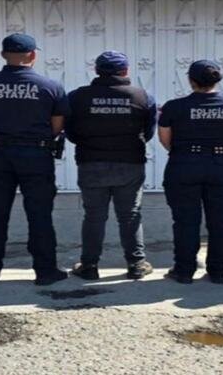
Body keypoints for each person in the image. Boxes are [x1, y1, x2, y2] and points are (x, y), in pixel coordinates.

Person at [0, 33, 70, 287]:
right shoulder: (51, 86)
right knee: (40, 215)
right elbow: (57, 127)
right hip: (36, 155)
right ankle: (45, 271)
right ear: (33, 55)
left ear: (3, 54)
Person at [65, 51, 157, 280]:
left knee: (94, 216)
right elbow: (148, 132)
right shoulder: (143, 96)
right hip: (130, 164)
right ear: (125, 71)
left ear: (96, 71)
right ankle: (136, 264)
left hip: (91, 163)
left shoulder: (77, 97)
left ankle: (89, 266)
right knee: (130, 215)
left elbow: (71, 133)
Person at [158, 60, 223, 284]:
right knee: (222, 221)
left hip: (183, 165)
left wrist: (185, 151)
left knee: (185, 221)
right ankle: (219, 272)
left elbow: (165, 140)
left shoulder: (174, 107)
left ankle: (184, 271)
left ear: (191, 80)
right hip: (221, 166)